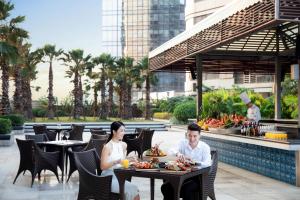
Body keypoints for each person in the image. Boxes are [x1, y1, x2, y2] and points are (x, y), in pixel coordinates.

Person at [161, 123, 211, 200]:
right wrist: (178, 154)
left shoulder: (205, 147)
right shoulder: (182, 143)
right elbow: (170, 151)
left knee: (186, 189)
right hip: (182, 175)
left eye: (195, 136)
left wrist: (195, 163)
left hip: (198, 178)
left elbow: (208, 164)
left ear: (199, 136)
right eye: (189, 135)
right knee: (165, 187)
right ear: (186, 134)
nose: (192, 138)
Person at [101, 121, 140, 200]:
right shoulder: (107, 147)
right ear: (114, 132)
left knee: (134, 190)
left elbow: (122, 161)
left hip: (120, 175)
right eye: (121, 131)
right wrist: (116, 161)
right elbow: (102, 167)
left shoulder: (123, 145)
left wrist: (130, 160)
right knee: (132, 190)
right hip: (108, 178)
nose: (123, 133)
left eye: (124, 130)